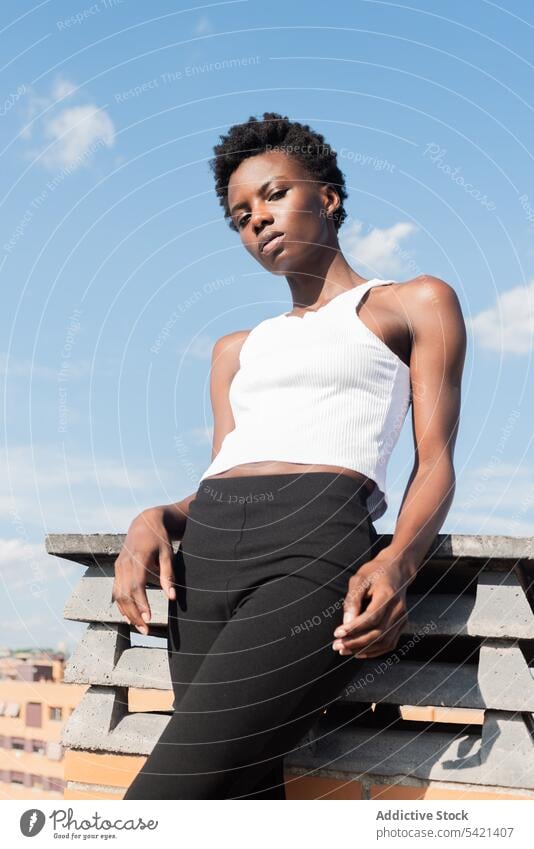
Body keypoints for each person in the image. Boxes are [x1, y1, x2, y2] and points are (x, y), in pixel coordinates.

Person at [115, 112, 466, 799]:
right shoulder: (234, 350)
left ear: (329, 196)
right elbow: (221, 470)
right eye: (240, 214)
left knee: (162, 801)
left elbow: (437, 462)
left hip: (311, 550)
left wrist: (397, 559)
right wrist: (156, 517)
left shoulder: (412, 303)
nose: (258, 220)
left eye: (274, 194)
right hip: (204, 564)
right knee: (235, 798)